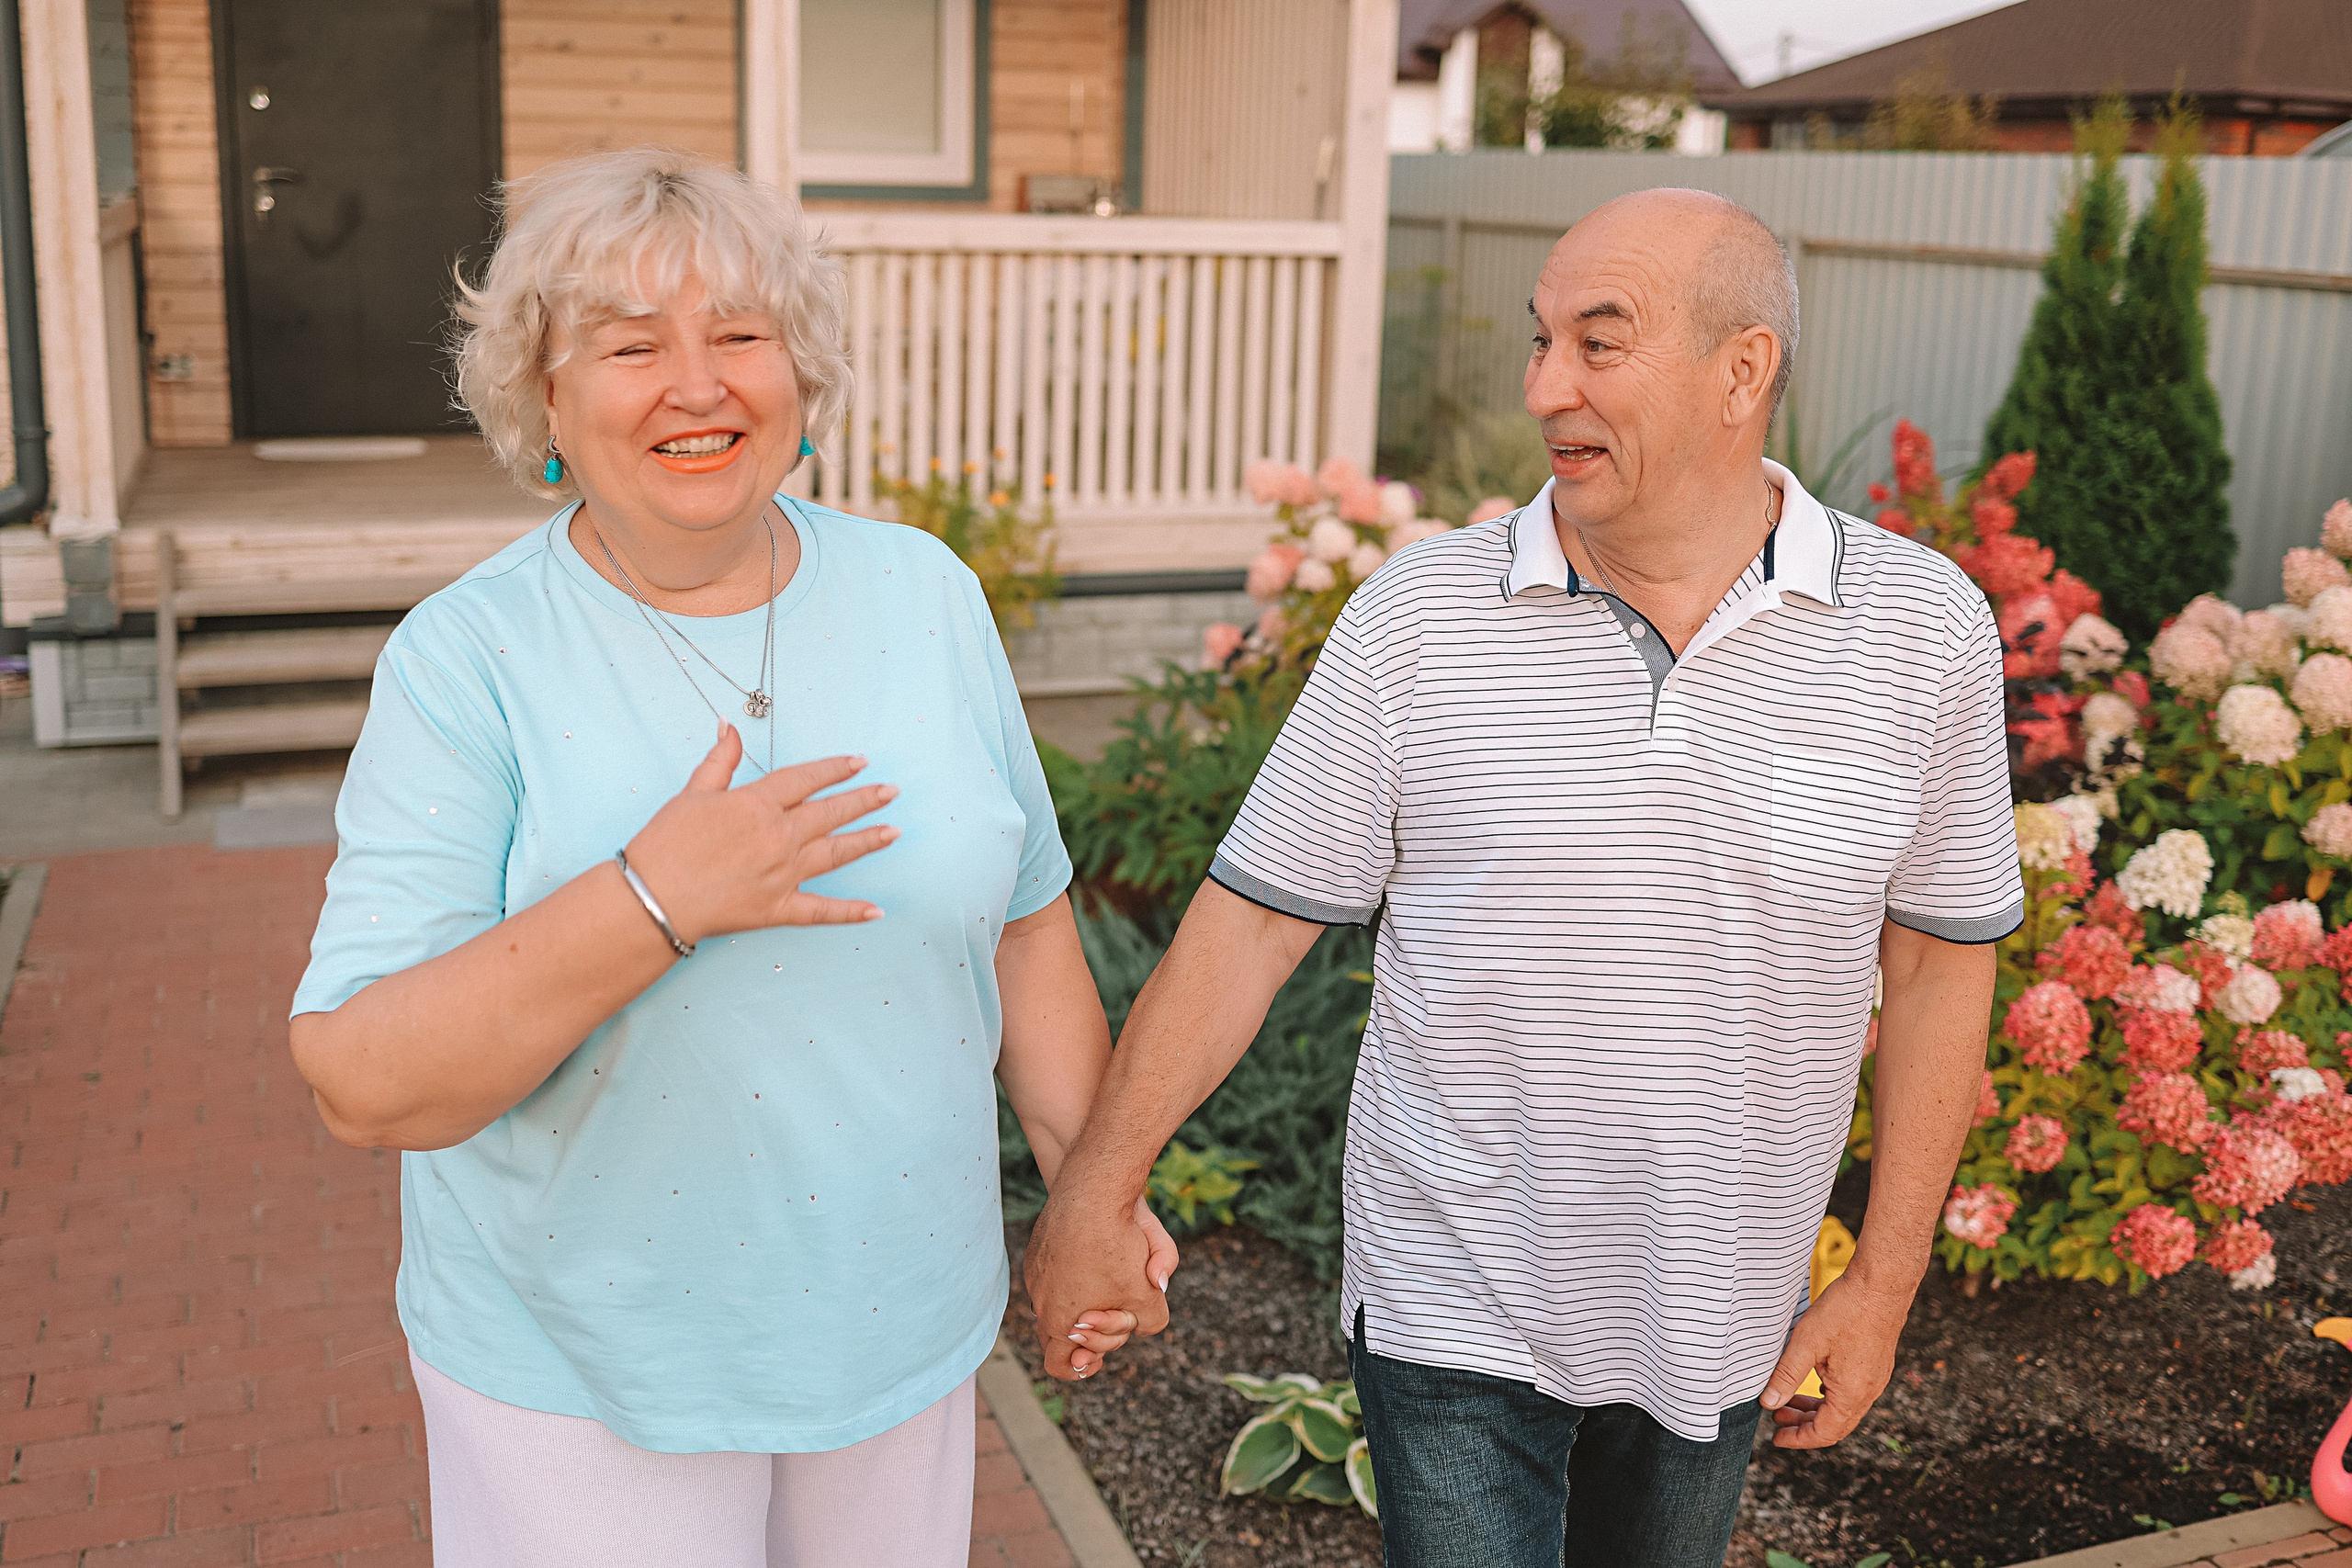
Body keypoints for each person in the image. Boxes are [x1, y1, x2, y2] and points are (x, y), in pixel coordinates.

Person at [1023, 187, 2019, 1567]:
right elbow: (1253, 924)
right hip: (1455, 1293)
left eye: (1599, 345)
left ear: (1745, 371)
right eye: (1540, 341)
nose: (1547, 387)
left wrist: (1885, 1281)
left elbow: (1938, 961)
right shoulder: (1419, 617)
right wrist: (1094, 1191)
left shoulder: (1922, 632)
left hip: (1723, 1304)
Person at [286, 148, 1171, 1568]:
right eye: (631, 347)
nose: (697, 386)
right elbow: (359, 1082)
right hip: (587, 1373)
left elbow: (1025, 922)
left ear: (799, 377)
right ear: (547, 400)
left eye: (740, 336)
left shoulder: (924, 594)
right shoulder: (468, 660)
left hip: (899, 1334)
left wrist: (1095, 1194)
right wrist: (654, 899)